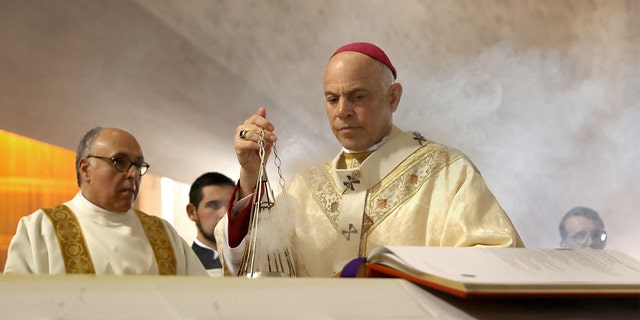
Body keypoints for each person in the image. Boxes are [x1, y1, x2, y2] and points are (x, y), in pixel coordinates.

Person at [216, 42, 524, 278]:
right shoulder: (306, 187)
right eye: (332, 98)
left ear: (393, 97)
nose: (343, 111)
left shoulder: (447, 172)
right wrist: (250, 174)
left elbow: (499, 261)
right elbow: (253, 264)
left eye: (358, 96)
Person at [4, 127, 207, 275]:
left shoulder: (164, 234)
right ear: (85, 168)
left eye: (138, 165)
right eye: (119, 161)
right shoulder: (40, 229)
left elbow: (202, 301)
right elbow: (19, 306)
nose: (133, 173)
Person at [186, 172, 236, 276]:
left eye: (231, 204)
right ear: (192, 212)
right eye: (213, 205)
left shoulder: (256, 261)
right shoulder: (184, 265)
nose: (224, 214)